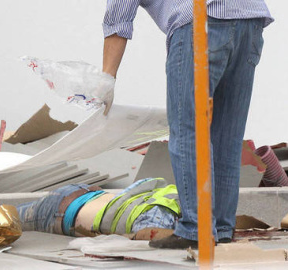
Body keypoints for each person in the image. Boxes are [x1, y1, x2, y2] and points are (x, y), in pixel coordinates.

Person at [102, 1, 273, 249]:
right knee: (227, 136)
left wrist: (107, 78)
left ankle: (196, 228)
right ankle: (222, 228)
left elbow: (119, 14)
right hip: (250, 19)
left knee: (188, 130)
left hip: (202, 21)